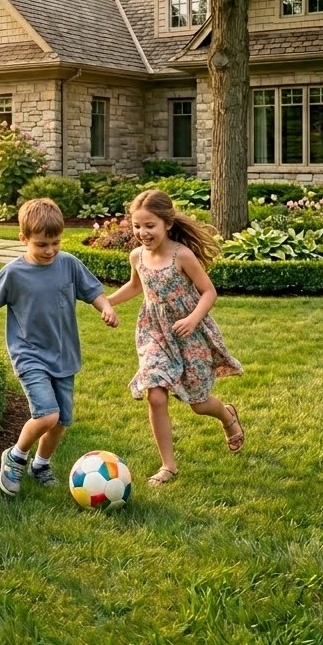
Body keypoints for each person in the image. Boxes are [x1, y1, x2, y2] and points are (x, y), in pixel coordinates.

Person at [0, 197, 119, 495]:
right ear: (23, 239)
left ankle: (41, 465)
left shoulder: (69, 264)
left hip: (64, 355)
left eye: (55, 242)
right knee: (47, 415)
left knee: (61, 422)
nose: (50, 250)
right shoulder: (13, 273)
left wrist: (105, 307)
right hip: (30, 355)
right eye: (42, 244)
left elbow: (94, 291)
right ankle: (15, 457)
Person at [107, 189, 244, 485]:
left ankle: (228, 416)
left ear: (167, 223)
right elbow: (134, 287)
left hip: (189, 334)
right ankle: (168, 465)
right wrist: (106, 302)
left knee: (198, 402)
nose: (142, 232)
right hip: (154, 332)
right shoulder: (137, 257)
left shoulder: (182, 255)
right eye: (137, 226)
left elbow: (209, 292)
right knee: (155, 395)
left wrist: (193, 318)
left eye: (149, 225)